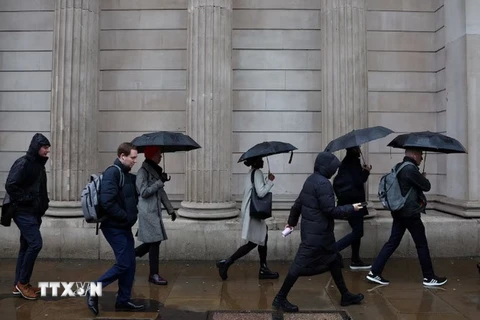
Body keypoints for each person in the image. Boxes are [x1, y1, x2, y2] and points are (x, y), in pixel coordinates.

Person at [272, 152, 365, 312]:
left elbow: (297, 204)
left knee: (334, 260)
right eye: (333, 168)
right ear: (327, 168)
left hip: (318, 234)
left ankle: (345, 295)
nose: (335, 171)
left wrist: (292, 222)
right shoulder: (323, 184)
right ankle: (280, 298)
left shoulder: (311, 180)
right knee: (298, 266)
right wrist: (352, 208)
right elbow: (330, 210)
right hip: (317, 236)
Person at [366, 148, 447, 287]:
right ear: (414, 155)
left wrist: (419, 177)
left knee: (392, 242)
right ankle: (429, 277)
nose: (421, 158)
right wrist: (423, 178)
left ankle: (374, 272)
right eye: (420, 154)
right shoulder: (410, 169)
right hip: (410, 213)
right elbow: (426, 186)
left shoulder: (399, 166)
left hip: (399, 211)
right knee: (421, 244)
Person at [87, 142, 145, 315]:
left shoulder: (127, 175)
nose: (135, 161)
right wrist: (125, 216)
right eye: (133, 157)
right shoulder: (113, 172)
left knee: (130, 264)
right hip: (113, 227)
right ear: (122, 156)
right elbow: (107, 202)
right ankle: (93, 289)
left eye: (136, 157)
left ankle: (123, 301)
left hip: (123, 227)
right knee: (124, 263)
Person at [216, 156, 278, 280]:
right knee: (254, 242)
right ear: (255, 162)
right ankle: (227, 262)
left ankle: (263, 267)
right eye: (260, 159)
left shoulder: (251, 173)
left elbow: (256, 189)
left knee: (262, 237)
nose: (262, 161)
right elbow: (260, 193)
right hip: (253, 211)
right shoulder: (257, 172)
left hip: (250, 210)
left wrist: (266, 180)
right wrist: (270, 181)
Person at [5, 133, 50, 300]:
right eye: (45, 147)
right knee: (35, 244)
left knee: (25, 246)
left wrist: (43, 203)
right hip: (23, 212)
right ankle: (23, 283)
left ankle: (19, 284)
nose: (47, 151)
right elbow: (11, 185)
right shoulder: (23, 163)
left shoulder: (38, 165)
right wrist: (28, 199)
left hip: (33, 212)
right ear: (37, 147)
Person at [134, 146, 177, 285]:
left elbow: (161, 192)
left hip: (154, 211)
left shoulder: (155, 171)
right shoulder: (143, 172)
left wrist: (170, 209)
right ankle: (153, 274)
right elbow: (144, 192)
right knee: (154, 242)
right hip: (147, 212)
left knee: (154, 241)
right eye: (158, 154)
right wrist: (160, 182)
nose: (161, 156)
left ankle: (132, 255)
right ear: (151, 155)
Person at [333, 146, 372, 270]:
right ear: (354, 150)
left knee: (357, 230)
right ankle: (334, 249)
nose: (360, 149)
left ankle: (355, 259)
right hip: (355, 202)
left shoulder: (345, 163)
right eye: (358, 148)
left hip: (348, 202)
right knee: (359, 231)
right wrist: (366, 171)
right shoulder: (354, 162)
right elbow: (358, 181)